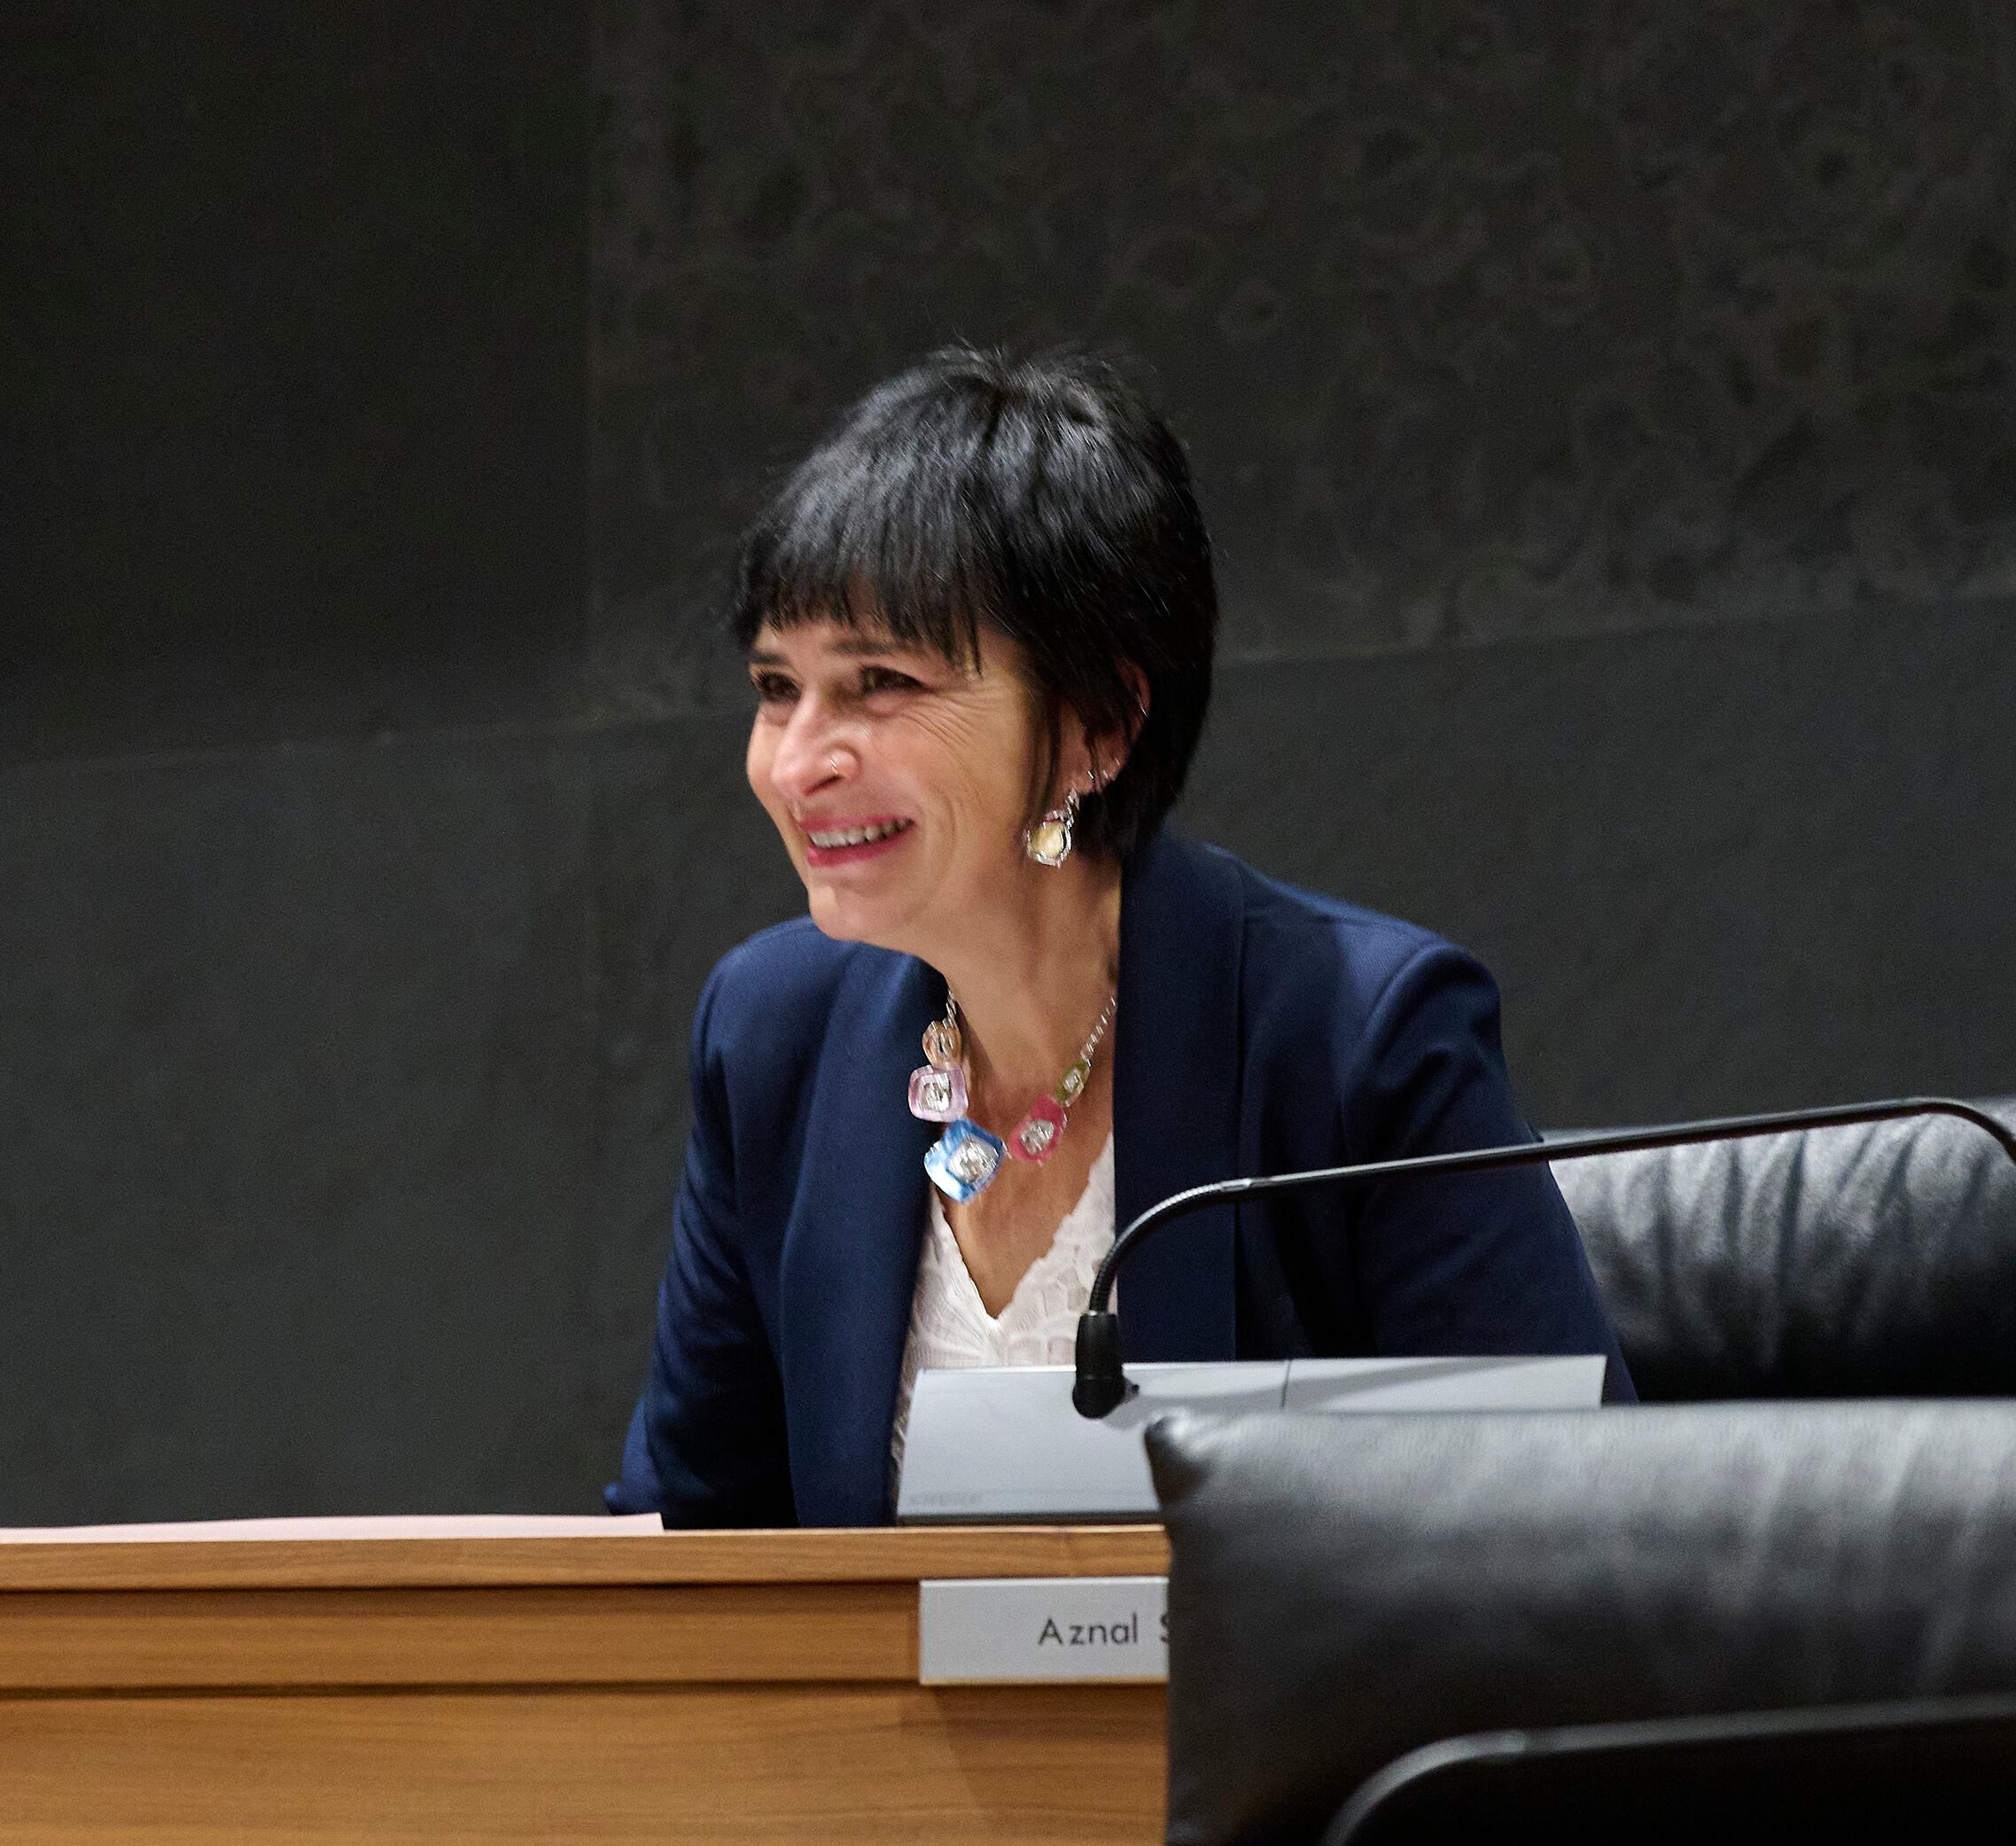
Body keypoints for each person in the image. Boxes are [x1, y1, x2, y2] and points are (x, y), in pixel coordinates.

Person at [612, 347, 1623, 1528]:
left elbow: (1587, 1531)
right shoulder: (771, 1034)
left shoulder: (1360, 1038)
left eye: (878, 682)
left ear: (1099, 723)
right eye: (778, 686)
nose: (797, 762)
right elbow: (688, 1542)